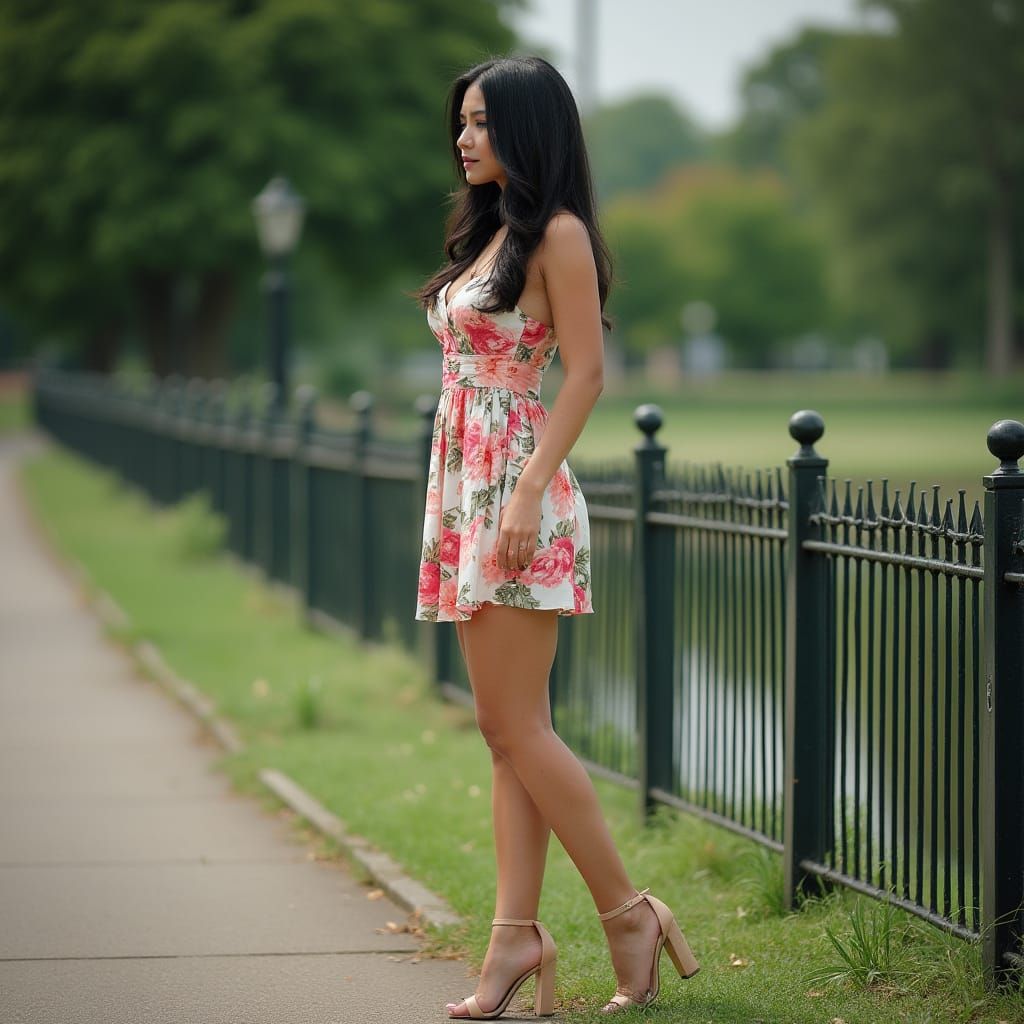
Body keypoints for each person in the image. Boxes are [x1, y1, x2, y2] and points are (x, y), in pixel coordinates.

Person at [414, 55, 700, 1019]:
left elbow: (586, 373)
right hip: (471, 487)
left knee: (515, 728)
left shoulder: (560, 234)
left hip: (516, 488)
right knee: (506, 735)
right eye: (462, 122)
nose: (465, 139)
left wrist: (528, 492)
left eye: (483, 122)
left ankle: (629, 914)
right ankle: (514, 939)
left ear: (529, 130)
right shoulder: (494, 229)